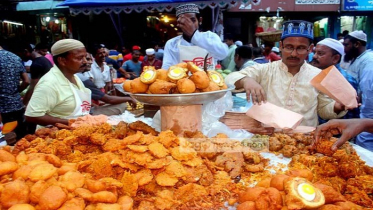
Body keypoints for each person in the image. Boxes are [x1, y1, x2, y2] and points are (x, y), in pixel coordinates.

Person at [225, 20, 347, 127]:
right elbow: (229, 78)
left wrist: (337, 107)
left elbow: (323, 110)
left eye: (300, 48)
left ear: (310, 49)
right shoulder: (265, 70)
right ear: (281, 46)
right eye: (289, 47)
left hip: (304, 140)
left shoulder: (319, 75)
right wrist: (246, 80)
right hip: (267, 138)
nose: (294, 53)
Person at [25, 39, 91, 127]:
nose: (85, 61)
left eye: (85, 57)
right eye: (79, 58)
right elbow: (32, 116)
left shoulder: (74, 77)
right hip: (57, 136)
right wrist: (70, 122)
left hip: (79, 131)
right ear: (62, 60)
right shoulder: (49, 83)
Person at [162, 3, 228, 70]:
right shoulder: (172, 44)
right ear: (179, 23)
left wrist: (194, 35)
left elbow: (223, 54)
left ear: (200, 20)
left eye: (192, 20)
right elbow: (167, 69)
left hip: (209, 79)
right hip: (184, 80)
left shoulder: (210, 36)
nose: (189, 25)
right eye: (185, 22)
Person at [310, 38, 359, 121]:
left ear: (335, 58)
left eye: (320, 53)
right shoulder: (316, 74)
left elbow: (349, 116)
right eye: (315, 52)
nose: (314, 56)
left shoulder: (345, 80)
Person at [343, 30, 373, 150]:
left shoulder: (369, 61)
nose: (344, 48)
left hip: (367, 114)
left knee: (366, 146)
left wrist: (365, 118)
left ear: (357, 44)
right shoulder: (357, 59)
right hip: (359, 112)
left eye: (346, 45)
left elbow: (368, 91)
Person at [0, 42, 30, 140]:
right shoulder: (15, 57)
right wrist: (15, 92)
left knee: (6, 141)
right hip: (17, 104)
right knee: (22, 138)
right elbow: (26, 81)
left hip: (2, 108)